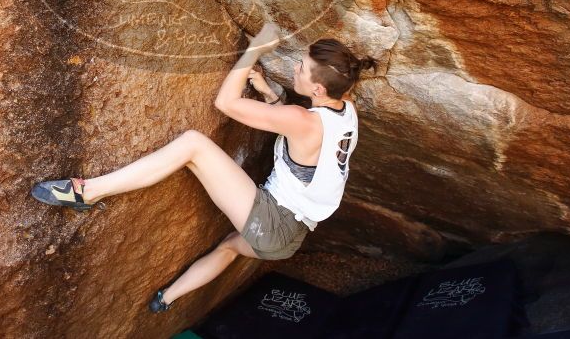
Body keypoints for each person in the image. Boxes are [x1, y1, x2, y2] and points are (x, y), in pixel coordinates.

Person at [30, 22, 377, 313]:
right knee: (227, 246)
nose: (295, 69)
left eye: (301, 68)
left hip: (274, 223)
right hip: (293, 236)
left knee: (193, 144)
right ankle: (165, 300)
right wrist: (270, 94)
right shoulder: (346, 108)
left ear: (318, 88)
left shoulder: (303, 120)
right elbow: (306, 139)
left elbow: (225, 103)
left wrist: (254, 50)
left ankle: (86, 192)